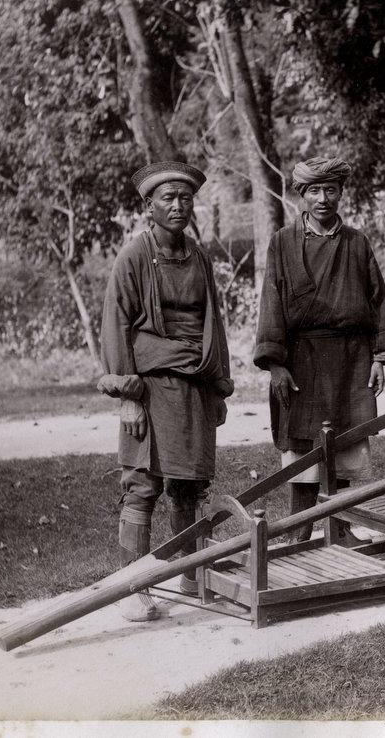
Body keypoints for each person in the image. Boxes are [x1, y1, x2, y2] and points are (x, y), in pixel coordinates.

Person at [98, 161, 233, 621]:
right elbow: (116, 326)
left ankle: (192, 576)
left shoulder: (199, 258)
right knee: (141, 486)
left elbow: (214, 325)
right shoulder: (133, 258)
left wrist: (217, 386)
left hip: (193, 386)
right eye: (167, 199)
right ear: (148, 207)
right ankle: (133, 588)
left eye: (185, 198)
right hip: (150, 388)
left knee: (189, 487)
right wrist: (129, 397)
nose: (177, 206)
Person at [253, 157, 385, 545]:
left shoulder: (357, 242)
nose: (323, 198)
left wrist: (379, 358)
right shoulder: (282, 243)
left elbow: (377, 300)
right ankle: (298, 533)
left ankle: (341, 528)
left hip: (351, 358)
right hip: (300, 360)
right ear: (302, 195)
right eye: (315, 190)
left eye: (330, 190)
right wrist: (275, 366)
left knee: (346, 443)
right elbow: (271, 303)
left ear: (340, 194)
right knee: (302, 448)